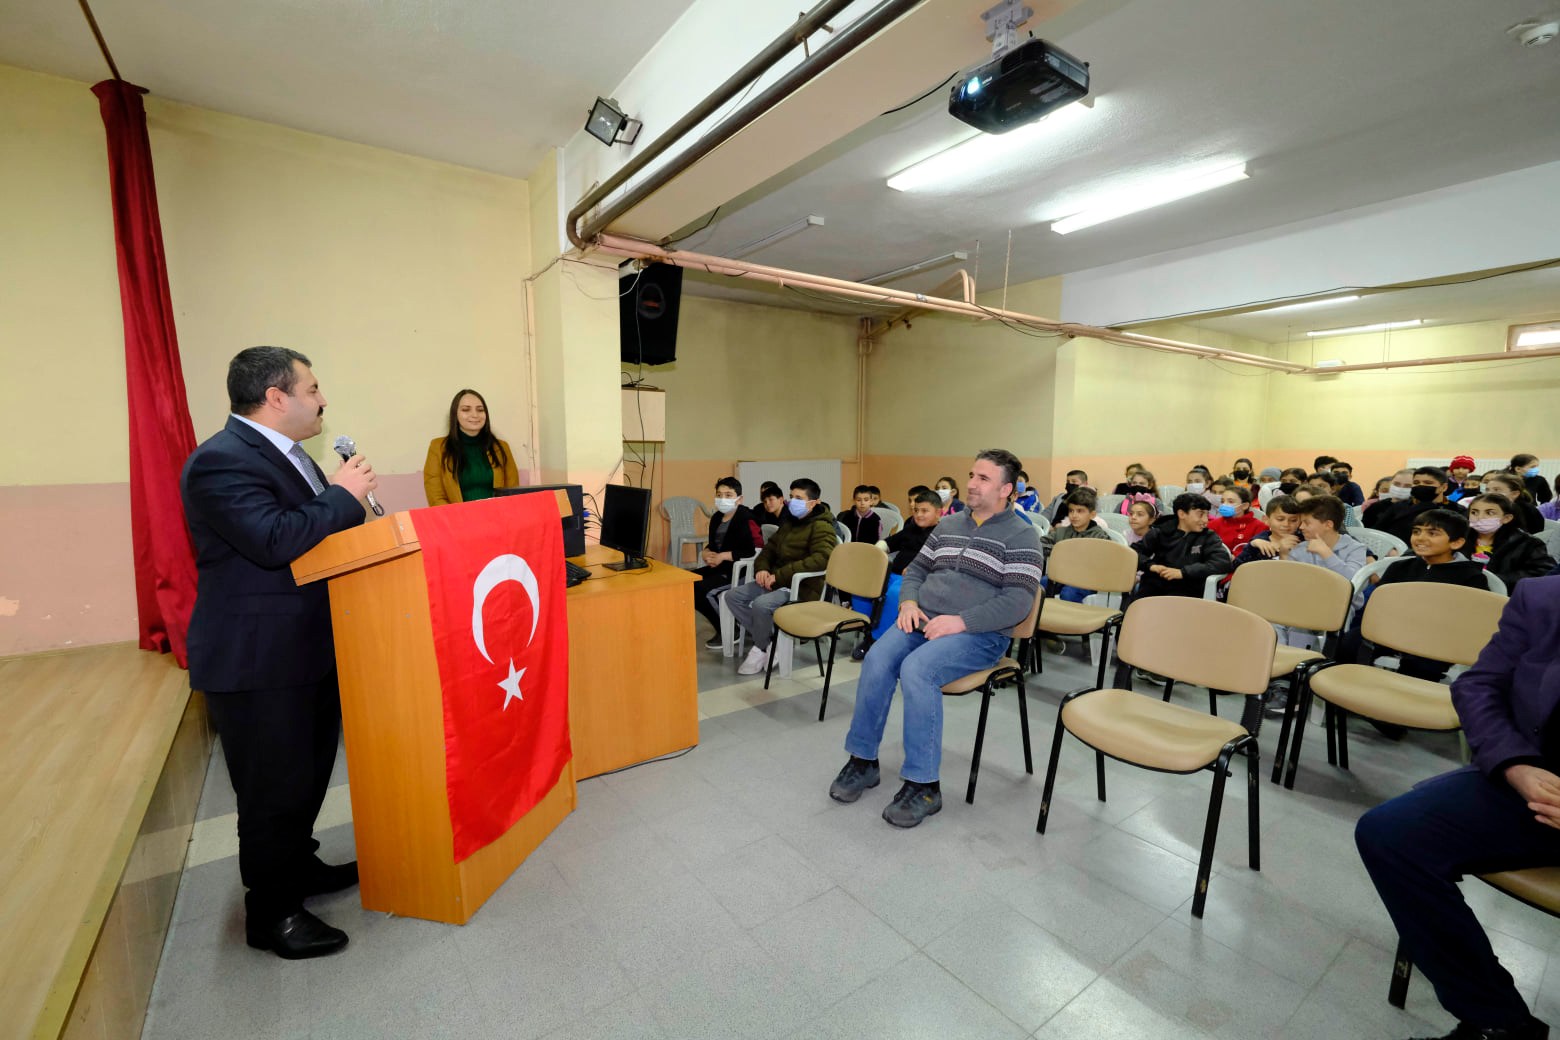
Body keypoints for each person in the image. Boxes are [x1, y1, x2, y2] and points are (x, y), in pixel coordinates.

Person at [181, 346, 378, 960]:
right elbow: (271, 541)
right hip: (258, 660)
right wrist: (343, 495)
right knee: (271, 790)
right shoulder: (220, 461)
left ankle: (299, 867)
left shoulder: (292, 458)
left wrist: (353, 510)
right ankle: (272, 914)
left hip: (305, 650)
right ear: (276, 397)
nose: (323, 400)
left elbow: (319, 537)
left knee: (305, 776)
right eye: (313, 388)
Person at [1356, 576, 1560, 1040]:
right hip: (1535, 779)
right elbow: (1480, 686)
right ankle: (1497, 1020)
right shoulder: (1544, 597)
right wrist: (1516, 765)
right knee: (1391, 834)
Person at [828, 450, 1041, 828]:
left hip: (981, 635)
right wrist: (908, 601)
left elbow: (1018, 603)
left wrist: (960, 622)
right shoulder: (949, 524)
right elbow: (916, 570)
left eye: (984, 479)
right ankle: (863, 761)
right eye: (972, 475)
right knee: (877, 659)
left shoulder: (1023, 536)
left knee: (918, 670)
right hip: (924, 620)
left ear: (1007, 489)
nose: (973, 483)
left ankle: (924, 785)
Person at [1340, 508, 1486, 685]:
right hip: (1392, 629)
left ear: (1456, 542)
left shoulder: (1470, 576)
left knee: (1422, 662)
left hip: (1436, 638)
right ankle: (1350, 694)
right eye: (1416, 531)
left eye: (1432, 533)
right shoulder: (1400, 567)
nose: (1420, 538)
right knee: (1351, 641)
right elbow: (1379, 605)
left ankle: (1402, 706)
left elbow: (1465, 623)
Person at [728, 479, 838, 675]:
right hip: (775, 580)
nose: (792, 501)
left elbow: (822, 559)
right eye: (791, 496)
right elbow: (769, 548)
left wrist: (779, 576)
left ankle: (760, 648)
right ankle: (769, 641)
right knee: (732, 597)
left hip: (801, 586)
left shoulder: (822, 526)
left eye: (798, 498)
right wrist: (762, 568)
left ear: (813, 503)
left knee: (762, 605)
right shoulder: (790, 523)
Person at [851, 490, 942, 661]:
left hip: (916, 579)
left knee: (893, 594)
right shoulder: (911, 528)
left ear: (938, 512)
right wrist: (875, 552)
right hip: (891, 573)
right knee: (861, 588)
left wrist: (917, 568)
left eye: (924, 511)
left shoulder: (942, 534)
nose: (919, 515)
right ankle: (869, 629)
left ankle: (875, 640)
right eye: (916, 510)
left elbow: (942, 563)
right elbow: (888, 543)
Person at [693, 477, 765, 650]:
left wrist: (724, 556)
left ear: (739, 499)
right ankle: (726, 625)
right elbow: (714, 544)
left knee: (705, 590)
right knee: (690, 582)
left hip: (741, 570)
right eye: (719, 494)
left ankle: (730, 629)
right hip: (721, 566)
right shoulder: (717, 517)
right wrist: (706, 552)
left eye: (728, 494)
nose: (723, 499)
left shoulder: (747, 519)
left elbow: (753, 550)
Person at [422, 389, 519, 505]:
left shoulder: (501, 447)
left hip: (497, 519)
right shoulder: (438, 448)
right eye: (466, 410)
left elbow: (512, 492)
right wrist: (459, 520)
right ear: (455, 414)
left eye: (480, 410)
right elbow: (435, 496)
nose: (474, 415)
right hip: (457, 520)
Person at [1131, 492, 1234, 599]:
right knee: (1139, 607)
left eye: (1207, 515)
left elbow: (1222, 563)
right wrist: (1151, 566)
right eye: (1200, 514)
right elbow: (1133, 553)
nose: (1205, 520)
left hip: (1188, 588)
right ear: (1182, 514)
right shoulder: (1160, 531)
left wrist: (1183, 572)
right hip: (1154, 585)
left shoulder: (1209, 537)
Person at [1465, 493, 1555, 593]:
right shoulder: (1458, 538)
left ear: (1506, 518)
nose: (1480, 517)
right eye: (1474, 512)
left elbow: (1543, 571)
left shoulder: (1527, 543)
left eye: (1489, 513)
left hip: (1505, 595)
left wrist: (1496, 580)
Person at [1041, 487, 1112, 603]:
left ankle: (1067, 620)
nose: (1074, 515)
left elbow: (1105, 558)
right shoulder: (1061, 532)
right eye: (1071, 511)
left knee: (1069, 593)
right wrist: (1057, 550)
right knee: (1039, 584)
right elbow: (1041, 543)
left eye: (1080, 511)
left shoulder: (1100, 537)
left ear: (1092, 514)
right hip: (1062, 575)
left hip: (1087, 580)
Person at [1366, 466, 1452, 545]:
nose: (1421, 486)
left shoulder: (1454, 510)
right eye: (1416, 482)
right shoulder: (1398, 507)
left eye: (1427, 483)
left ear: (1443, 487)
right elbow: (1376, 532)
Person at [1233, 494, 1303, 569]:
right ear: (1266, 520)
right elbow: (1236, 567)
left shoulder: (1303, 542)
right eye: (1280, 519)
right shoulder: (1259, 543)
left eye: (1293, 520)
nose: (1286, 524)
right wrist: (1252, 546)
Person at [1208, 485, 1267, 552]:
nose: (1224, 505)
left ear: (1245, 506)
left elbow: (1258, 552)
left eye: (1230, 502)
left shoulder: (1259, 526)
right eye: (1222, 501)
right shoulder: (1212, 525)